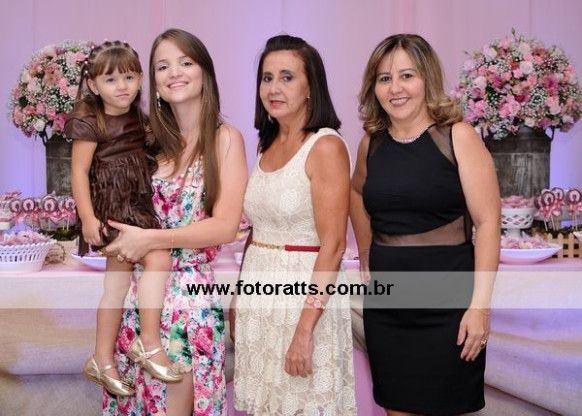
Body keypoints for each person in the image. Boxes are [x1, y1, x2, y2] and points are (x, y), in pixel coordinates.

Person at [350, 34, 500, 415]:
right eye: (384, 79)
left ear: (427, 79)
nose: (395, 88)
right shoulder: (371, 143)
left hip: (449, 309)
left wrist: (480, 308)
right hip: (388, 307)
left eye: (407, 76)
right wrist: (365, 251)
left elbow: (487, 222)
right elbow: (356, 191)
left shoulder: (458, 136)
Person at [100, 29, 248, 415]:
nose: (174, 73)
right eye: (162, 66)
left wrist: (151, 239)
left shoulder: (225, 139)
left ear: (205, 73)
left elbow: (224, 226)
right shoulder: (146, 140)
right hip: (139, 296)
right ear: (154, 82)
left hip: (188, 299)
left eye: (185, 62)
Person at [231, 34, 357, 415]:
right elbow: (257, 231)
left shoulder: (325, 147)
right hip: (260, 296)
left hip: (304, 301)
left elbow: (334, 245)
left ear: (310, 87)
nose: (274, 88)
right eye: (267, 78)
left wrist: (305, 329)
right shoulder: (265, 145)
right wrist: (239, 296)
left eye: (287, 77)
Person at [67, 40, 179, 398]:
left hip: (136, 209)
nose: (122, 87)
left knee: (115, 288)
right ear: (94, 85)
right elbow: (79, 172)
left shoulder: (139, 119)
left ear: (141, 79)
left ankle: (102, 359)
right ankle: (148, 342)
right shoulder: (90, 120)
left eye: (129, 77)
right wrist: (87, 218)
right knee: (158, 258)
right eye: (111, 80)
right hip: (110, 212)